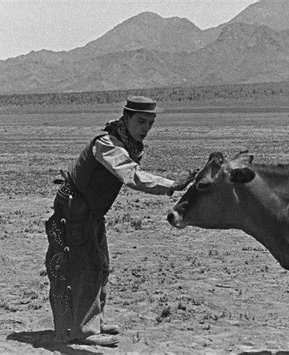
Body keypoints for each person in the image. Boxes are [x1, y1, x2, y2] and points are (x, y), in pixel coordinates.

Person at [45, 96, 195, 347]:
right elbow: (132, 176)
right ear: (125, 119)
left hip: (89, 209)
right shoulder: (107, 144)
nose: (146, 128)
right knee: (87, 267)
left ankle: (94, 320)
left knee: (101, 265)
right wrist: (172, 185)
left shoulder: (126, 143)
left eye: (150, 123)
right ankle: (86, 331)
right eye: (140, 121)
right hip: (76, 208)